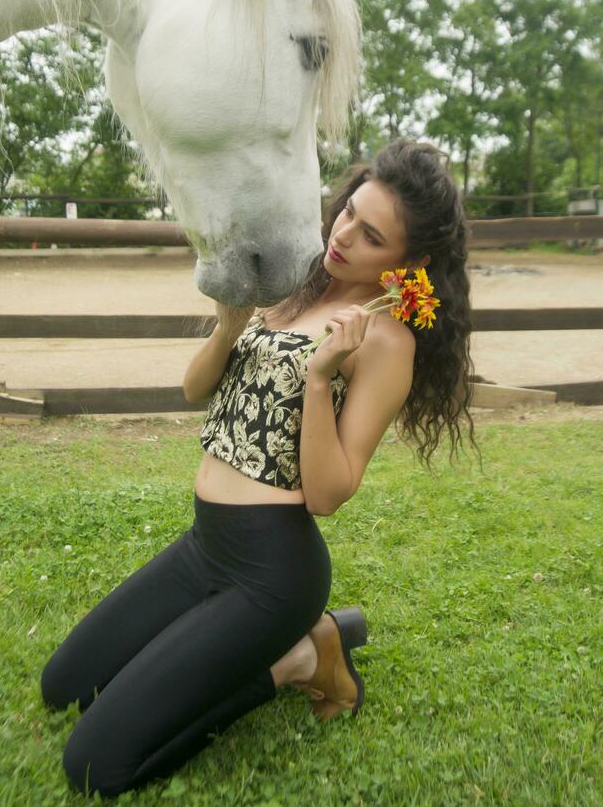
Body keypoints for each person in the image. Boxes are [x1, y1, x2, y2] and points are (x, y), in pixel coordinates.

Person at [40, 138, 479, 798]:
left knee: (96, 767)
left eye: (372, 235)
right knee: (62, 688)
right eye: (348, 214)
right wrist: (227, 328)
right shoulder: (293, 282)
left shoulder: (386, 340)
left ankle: (301, 656)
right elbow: (195, 391)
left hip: (271, 573)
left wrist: (318, 376)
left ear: (406, 263)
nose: (344, 236)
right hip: (203, 546)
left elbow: (329, 494)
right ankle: (307, 643)